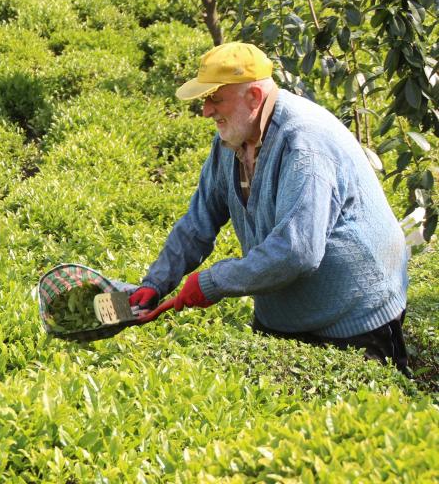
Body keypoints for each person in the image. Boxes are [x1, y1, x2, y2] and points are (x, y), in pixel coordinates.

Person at [130, 42, 411, 374]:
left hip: (354, 318)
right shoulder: (231, 140)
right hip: (284, 315)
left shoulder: (304, 144)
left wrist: (212, 282)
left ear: (254, 98)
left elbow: (297, 251)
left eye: (215, 98)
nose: (206, 111)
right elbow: (198, 221)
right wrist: (156, 282)